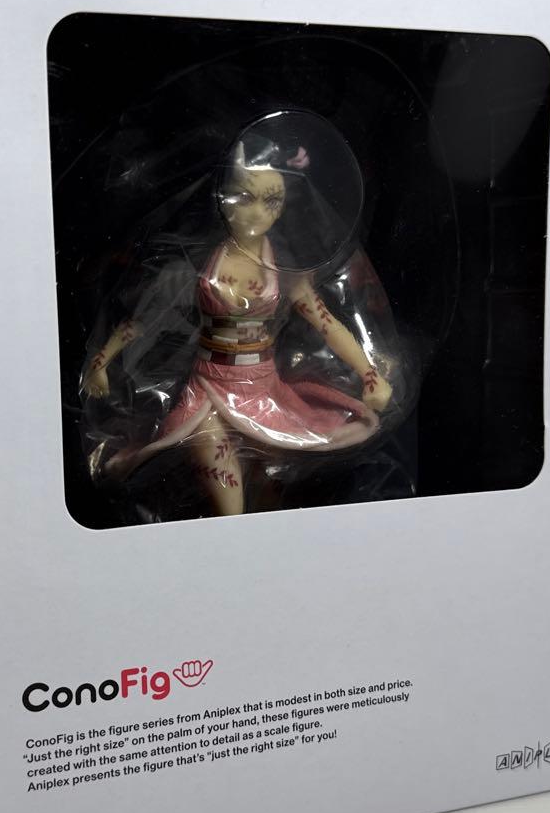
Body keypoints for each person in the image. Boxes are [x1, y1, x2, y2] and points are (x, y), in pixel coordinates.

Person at [82, 123, 395, 518]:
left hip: (263, 390)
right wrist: (101, 362)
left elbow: (326, 322)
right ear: (224, 197)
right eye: (245, 197)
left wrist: (369, 374)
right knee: (227, 494)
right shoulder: (197, 265)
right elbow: (143, 320)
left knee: (267, 486)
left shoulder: (285, 270)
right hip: (206, 390)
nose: (258, 212)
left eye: (271, 201)